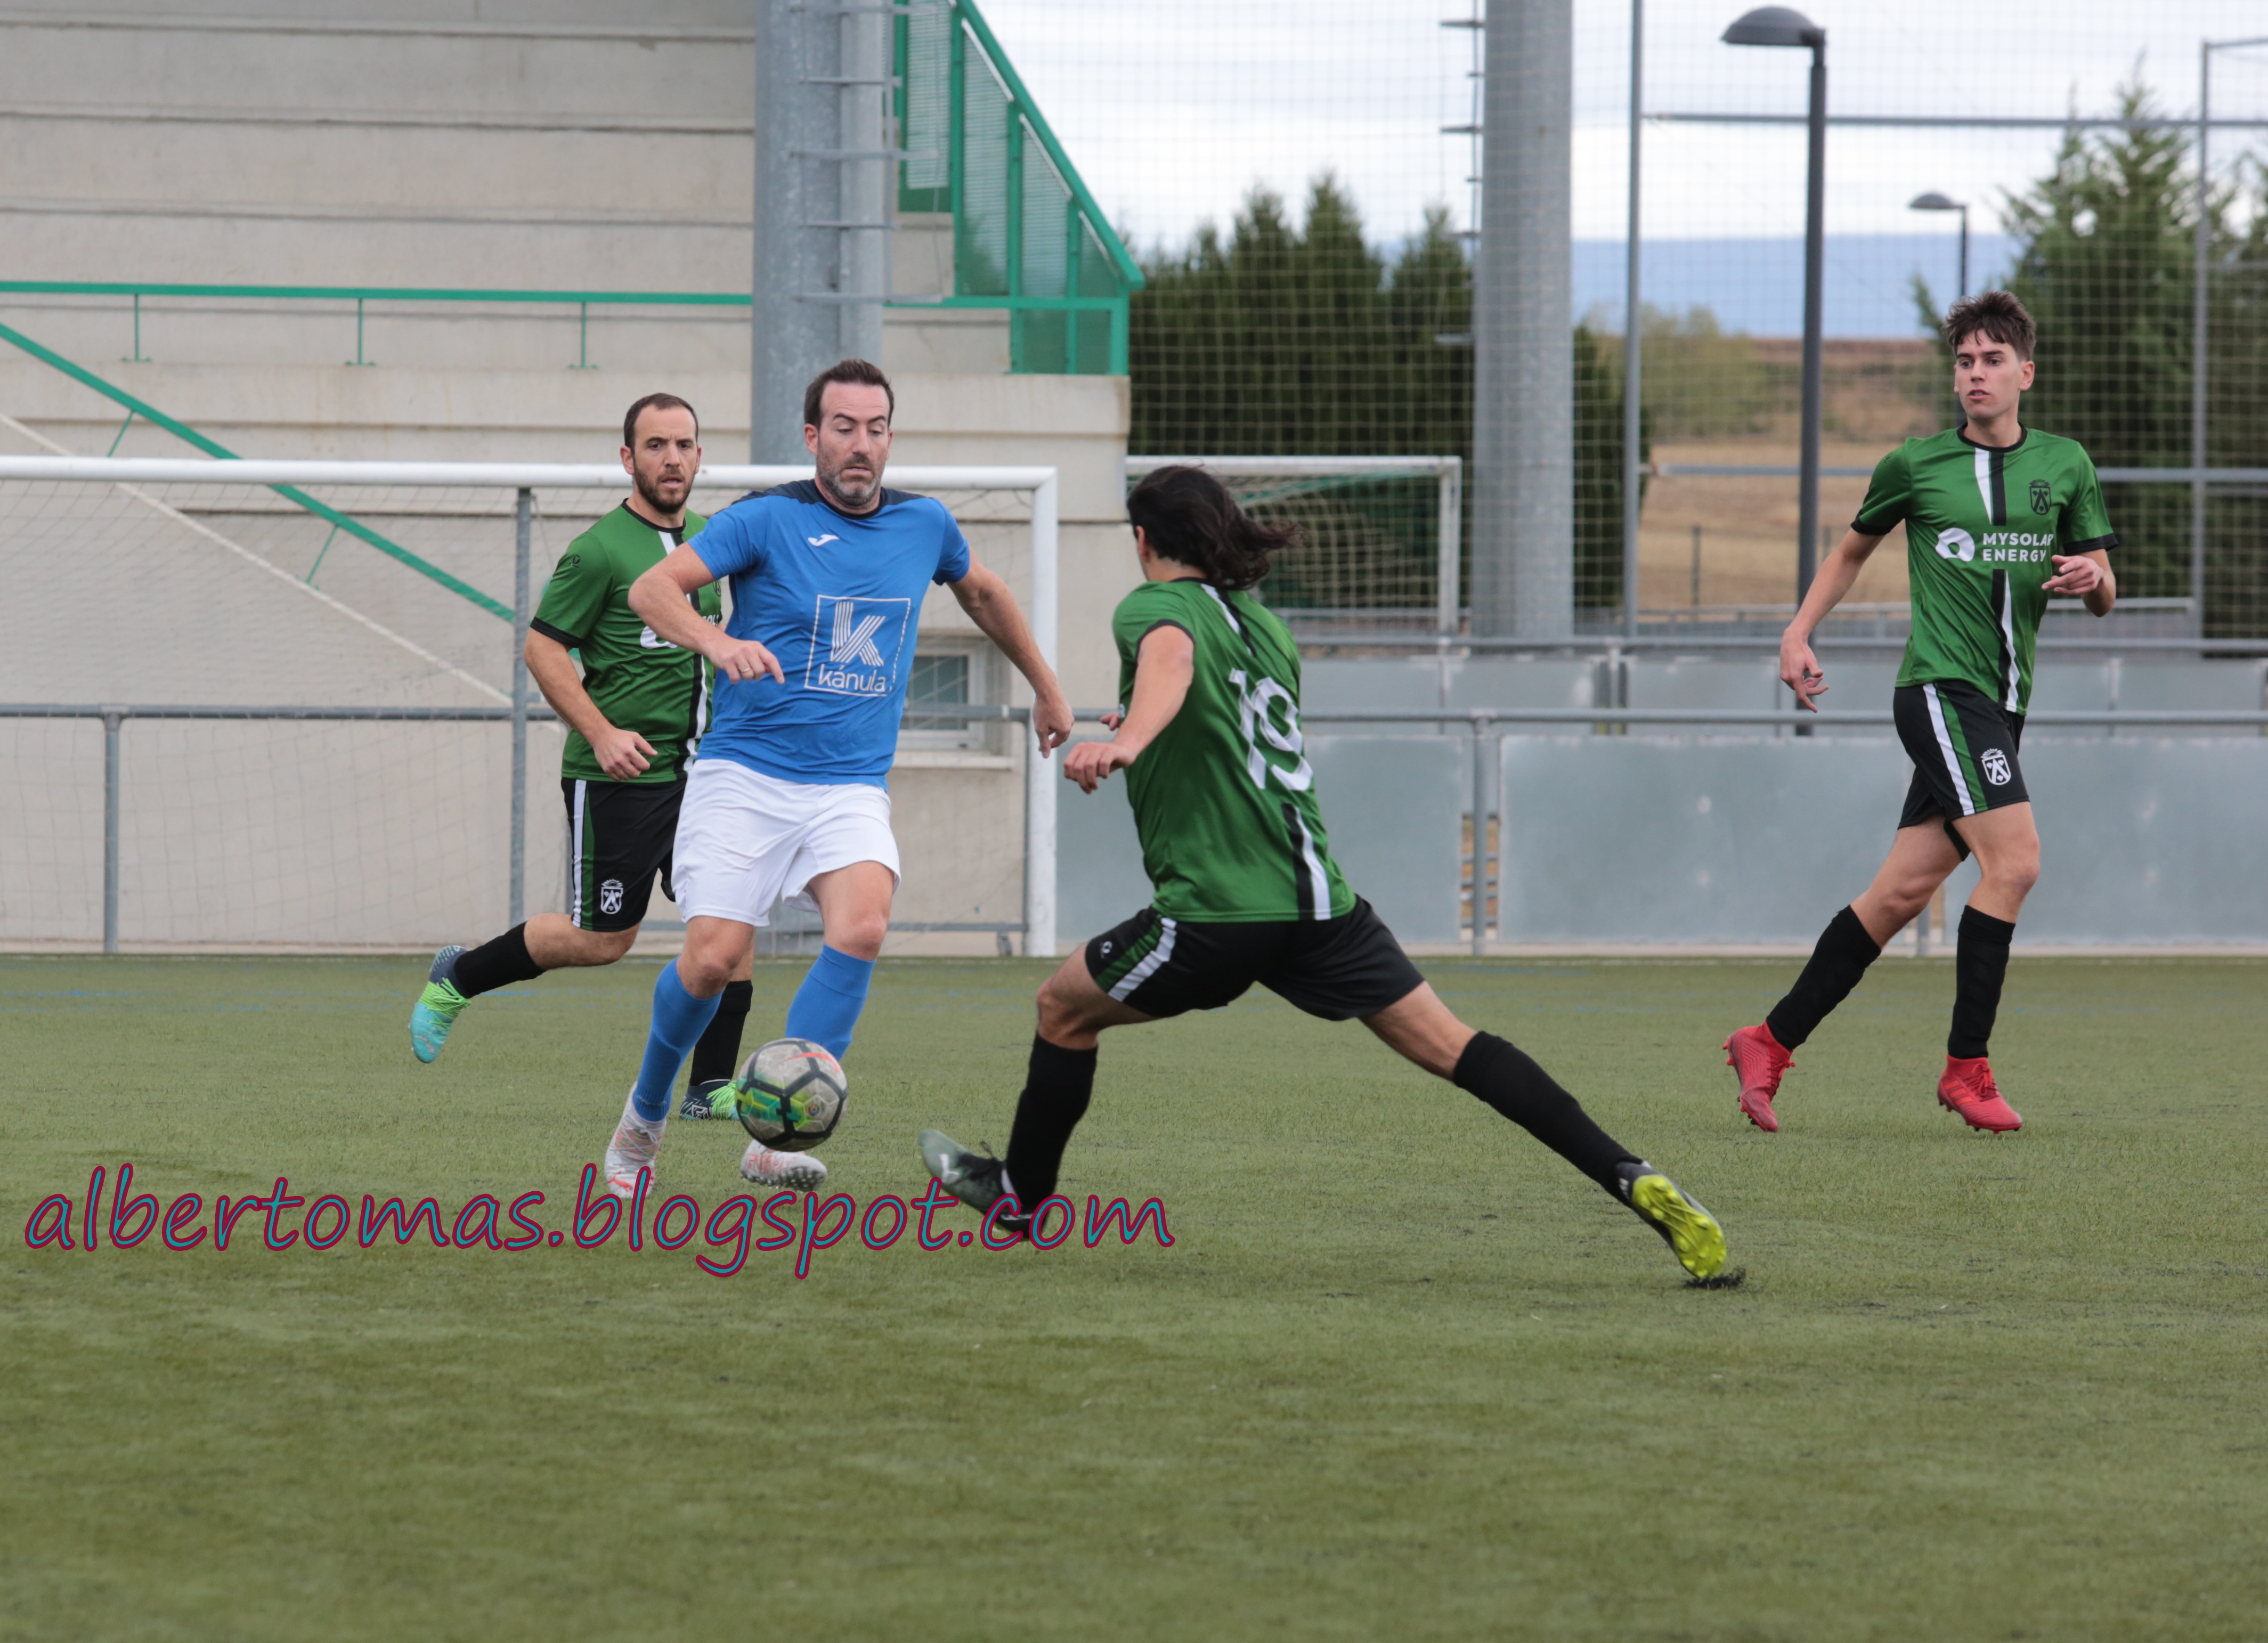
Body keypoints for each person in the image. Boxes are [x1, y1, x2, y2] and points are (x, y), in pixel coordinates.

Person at [918, 466, 1729, 1283]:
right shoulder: (1266, 628)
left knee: (1061, 1008)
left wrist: (1126, 742)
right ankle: (1630, 1174)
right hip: (1320, 905)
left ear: (1142, 540)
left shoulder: (1151, 608)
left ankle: (1020, 1199)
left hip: (1218, 910)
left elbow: (1173, 662)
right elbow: (1220, 718)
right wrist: (1142, 723)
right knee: (1456, 1047)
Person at [601, 357, 1074, 1199]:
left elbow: (984, 593)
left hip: (848, 786)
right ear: (813, 436)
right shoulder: (765, 519)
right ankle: (642, 1122)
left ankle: (772, 1142)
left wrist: (1045, 685)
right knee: (711, 962)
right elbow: (652, 589)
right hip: (743, 777)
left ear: (890, 438)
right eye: (845, 428)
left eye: (876, 428)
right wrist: (718, 642)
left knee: (861, 926)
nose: (861, 444)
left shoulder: (925, 524)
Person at [1724, 290, 2117, 1135]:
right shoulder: (1915, 465)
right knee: (2015, 864)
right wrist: (1796, 632)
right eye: (1963, 362)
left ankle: (1767, 1040)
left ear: (2024, 373)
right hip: (1940, 690)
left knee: (1899, 893)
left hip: (2001, 707)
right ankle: (1966, 1070)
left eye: (1991, 361)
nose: (1974, 374)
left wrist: (2093, 579)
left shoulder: (2066, 464)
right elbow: (1849, 552)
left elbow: (2103, 589)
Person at [408, 393, 754, 1112]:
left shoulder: (710, 541)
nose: (672, 459)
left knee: (731, 916)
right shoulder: (598, 551)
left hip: (704, 774)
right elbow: (542, 649)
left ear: (699, 456)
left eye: (684, 445)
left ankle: (710, 1085)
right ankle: (459, 977)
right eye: (655, 445)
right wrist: (601, 732)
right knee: (603, 941)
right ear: (628, 458)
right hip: (620, 777)